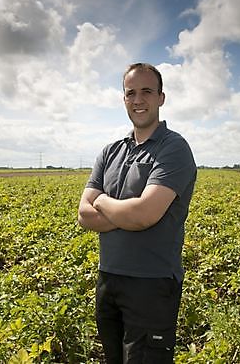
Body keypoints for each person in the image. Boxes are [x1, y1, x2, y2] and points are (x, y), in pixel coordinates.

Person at [78, 62, 196, 363]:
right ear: (124, 99)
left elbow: (144, 214)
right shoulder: (110, 151)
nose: (138, 100)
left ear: (161, 98)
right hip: (109, 280)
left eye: (147, 91)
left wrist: (103, 200)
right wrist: (125, 213)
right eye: (131, 93)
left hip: (152, 283)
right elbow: (83, 214)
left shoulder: (174, 148)